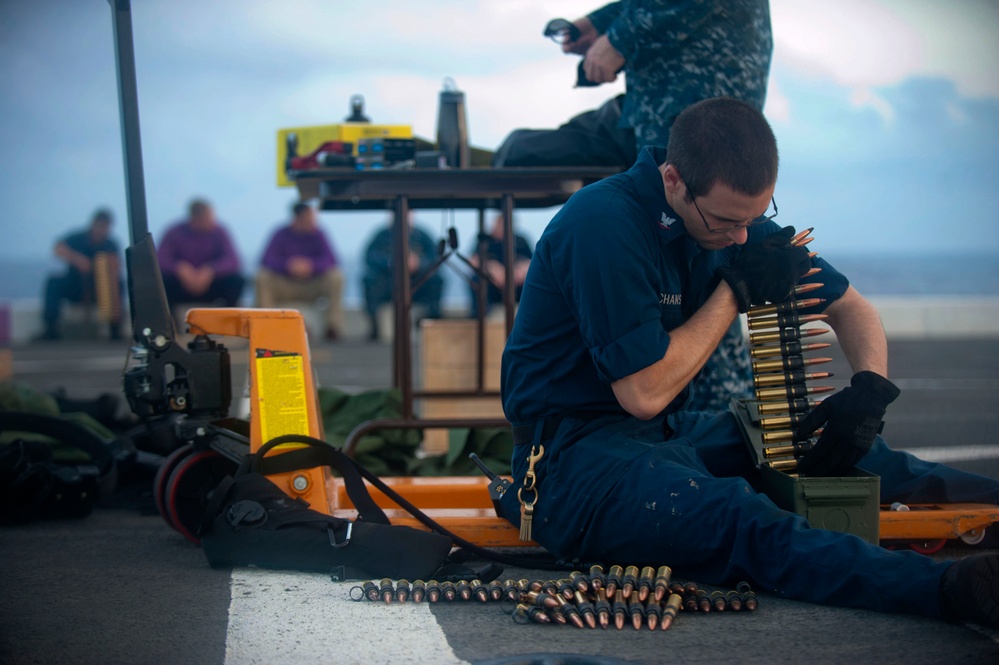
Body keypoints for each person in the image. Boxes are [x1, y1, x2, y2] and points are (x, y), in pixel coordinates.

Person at [499, 98, 999, 627]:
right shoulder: (602, 224)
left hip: (662, 434)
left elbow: (852, 308)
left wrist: (870, 391)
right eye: (727, 222)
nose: (740, 237)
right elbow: (642, 393)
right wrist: (734, 292)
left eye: (756, 218)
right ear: (673, 180)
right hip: (569, 463)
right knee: (739, 519)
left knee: (842, 450)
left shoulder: (729, 218)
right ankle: (949, 589)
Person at [255, 202, 345, 340]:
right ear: (298, 218)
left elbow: (331, 259)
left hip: (311, 285)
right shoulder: (280, 234)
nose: (312, 222)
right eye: (309, 218)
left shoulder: (318, 234)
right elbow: (266, 259)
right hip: (286, 285)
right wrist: (288, 265)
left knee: (336, 277)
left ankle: (333, 326)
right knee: (262, 277)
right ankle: (266, 326)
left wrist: (311, 266)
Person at [36, 209, 124, 341]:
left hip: (99, 288)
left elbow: (117, 266)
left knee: (118, 284)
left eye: (105, 227)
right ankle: (50, 329)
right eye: (99, 226)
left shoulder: (110, 244)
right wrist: (78, 260)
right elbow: (58, 248)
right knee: (53, 282)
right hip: (75, 285)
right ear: (93, 224)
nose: (101, 230)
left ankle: (115, 330)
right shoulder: (78, 238)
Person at [362, 214, 443, 341]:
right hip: (389, 281)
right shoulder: (381, 236)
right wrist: (393, 262)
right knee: (369, 280)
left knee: (437, 280)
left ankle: (431, 320)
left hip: (417, 281)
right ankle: (374, 326)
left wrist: (419, 263)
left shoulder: (422, 236)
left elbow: (435, 257)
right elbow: (370, 257)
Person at [157, 199, 244, 309]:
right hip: (181, 285)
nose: (212, 221)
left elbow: (233, 260)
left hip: (211, 285)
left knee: (237, 281)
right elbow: (160, 259)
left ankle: (227, 320)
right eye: (208, 217)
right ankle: (170, 322)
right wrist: (179, 268)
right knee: (161, 284)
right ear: (195, 218)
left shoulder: (219, 232)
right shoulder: (174, 232)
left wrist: (211, 270)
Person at [467, 214, 532, 319]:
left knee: (532, 281)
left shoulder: (520, 241)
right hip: (493, 285)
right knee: (477, 280)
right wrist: (490, 268)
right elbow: (473, 261)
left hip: (517, 284)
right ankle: (480, 317)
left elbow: (533, 261)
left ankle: (532, 316)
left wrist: (521, 270)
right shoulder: (485, 240)